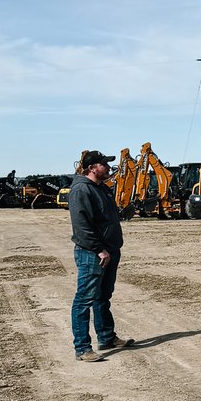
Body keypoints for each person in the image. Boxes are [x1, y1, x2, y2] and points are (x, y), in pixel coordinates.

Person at [69, 150, 133, 361]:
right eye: (104, 164)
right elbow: (81, 226)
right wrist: (99, 249)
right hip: (93, 253)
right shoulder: (81, 190)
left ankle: (106, 337)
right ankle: (82, 349)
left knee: (102, 297)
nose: (108, 167)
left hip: (110, 250)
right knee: (84, 300)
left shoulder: (101, 189)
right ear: (92, 168)